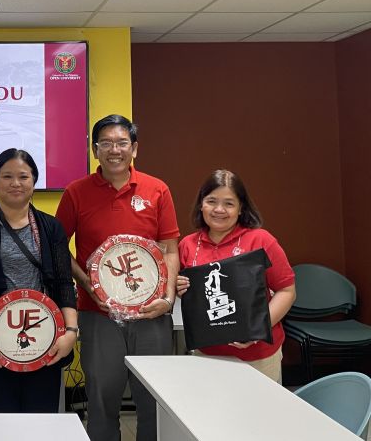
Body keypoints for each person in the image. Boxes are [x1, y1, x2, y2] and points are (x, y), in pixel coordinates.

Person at [55, 114, 180, 441]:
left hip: (151, 314)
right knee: (101, 400)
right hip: (98, 315)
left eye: (122, 142)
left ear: (134, 148)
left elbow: (170, 249)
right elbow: (58, 249)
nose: (114, 150)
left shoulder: (157, 190)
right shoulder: (75, 192)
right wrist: (89, 285)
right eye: (106, 143)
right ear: (94, 150)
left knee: (153, 401)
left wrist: (166, 300)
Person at [0, 148, 78, 412]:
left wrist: (70, 332)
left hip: (44, 336)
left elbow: (63, 282)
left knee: (41, 418)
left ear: (34, 181)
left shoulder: (50, 227)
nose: (16, 183)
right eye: (7, 176)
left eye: (23, 176)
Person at [176, 169, 296, 383]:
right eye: (211, 201)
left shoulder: (261, 240)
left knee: (260, 414)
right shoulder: (188, 245)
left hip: (258, 357)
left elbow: (287, 290)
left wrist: (257, 329)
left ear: (241, 208)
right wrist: (179, 287)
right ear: (201, 204)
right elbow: (186, 294)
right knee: (211, 414)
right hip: (207, 354)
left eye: (229, 203)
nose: (219, 209)